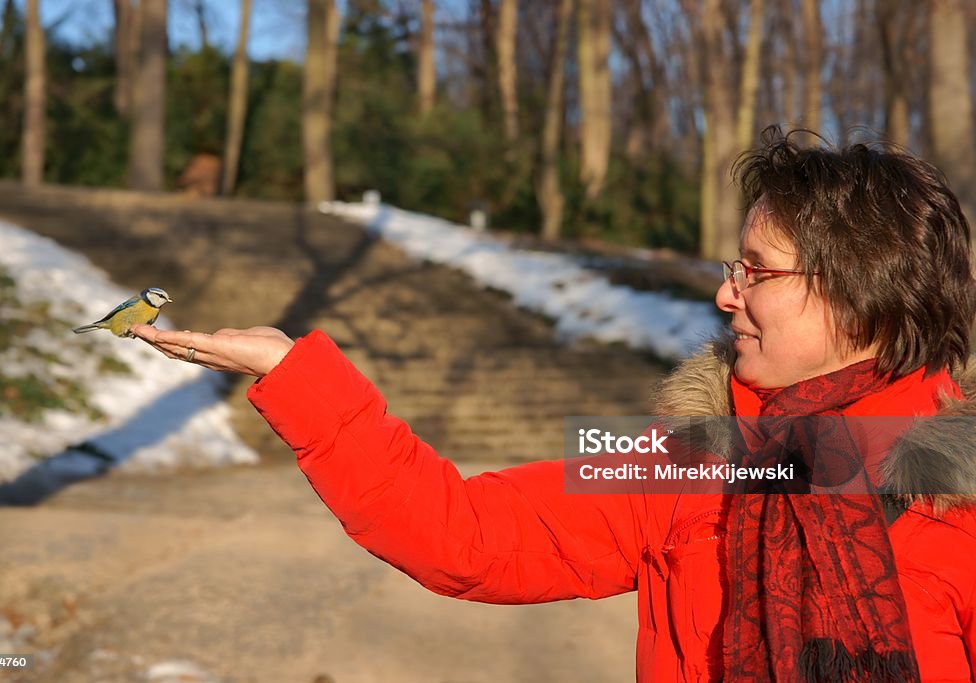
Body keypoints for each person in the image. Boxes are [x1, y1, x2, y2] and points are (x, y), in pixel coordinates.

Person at [133, 128, 976, 682]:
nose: (726, 294)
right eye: (735, 264)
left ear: (860, 293)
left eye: (757, 270)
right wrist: (301, 379)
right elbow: (468, 530)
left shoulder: (959, 488)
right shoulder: (682, 453)